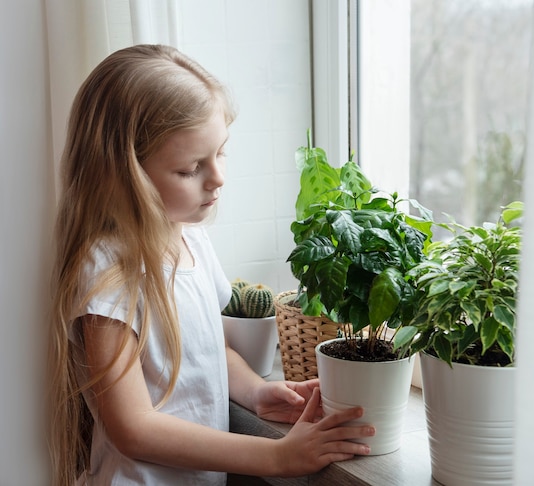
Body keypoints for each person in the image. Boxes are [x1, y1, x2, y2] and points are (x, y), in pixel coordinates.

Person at [47, 44, 374, 486]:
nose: (218, 177)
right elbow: (133, 428)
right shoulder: (109, 271)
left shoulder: (192, 241)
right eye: (190, 168)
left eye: (220, 153)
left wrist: (255, 392)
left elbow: (207, 349)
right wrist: (276, 458)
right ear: (124, 175)